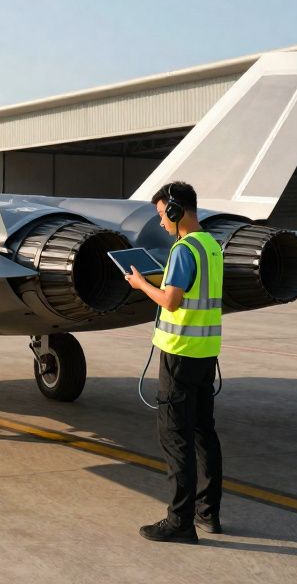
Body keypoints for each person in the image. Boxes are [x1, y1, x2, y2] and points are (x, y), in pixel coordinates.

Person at [122, 181, 224, 544]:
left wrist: (140, 284)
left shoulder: (183, 250)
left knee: (175, 437)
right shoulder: (211, 245)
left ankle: (179, 523)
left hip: (179, 354)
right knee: (203, 433)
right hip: (205, 353)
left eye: (162, 214)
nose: (161, 223)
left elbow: (171, 301)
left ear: (176, 210)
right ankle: (207, 514)